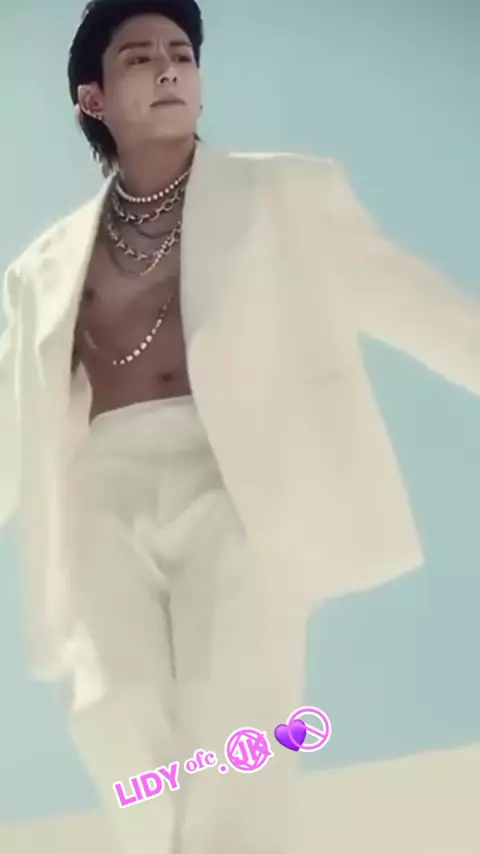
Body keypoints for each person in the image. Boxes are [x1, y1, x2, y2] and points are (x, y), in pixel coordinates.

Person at [1, 0, 480, 851]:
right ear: (92, 99)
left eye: (182, 52)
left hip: (239, 478)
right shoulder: (39, 269)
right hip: (97, 487)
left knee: (237, 716)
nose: (168, 67)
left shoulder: (281, 193)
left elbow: (419, 304)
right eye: (138, 57)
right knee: (114, 711)